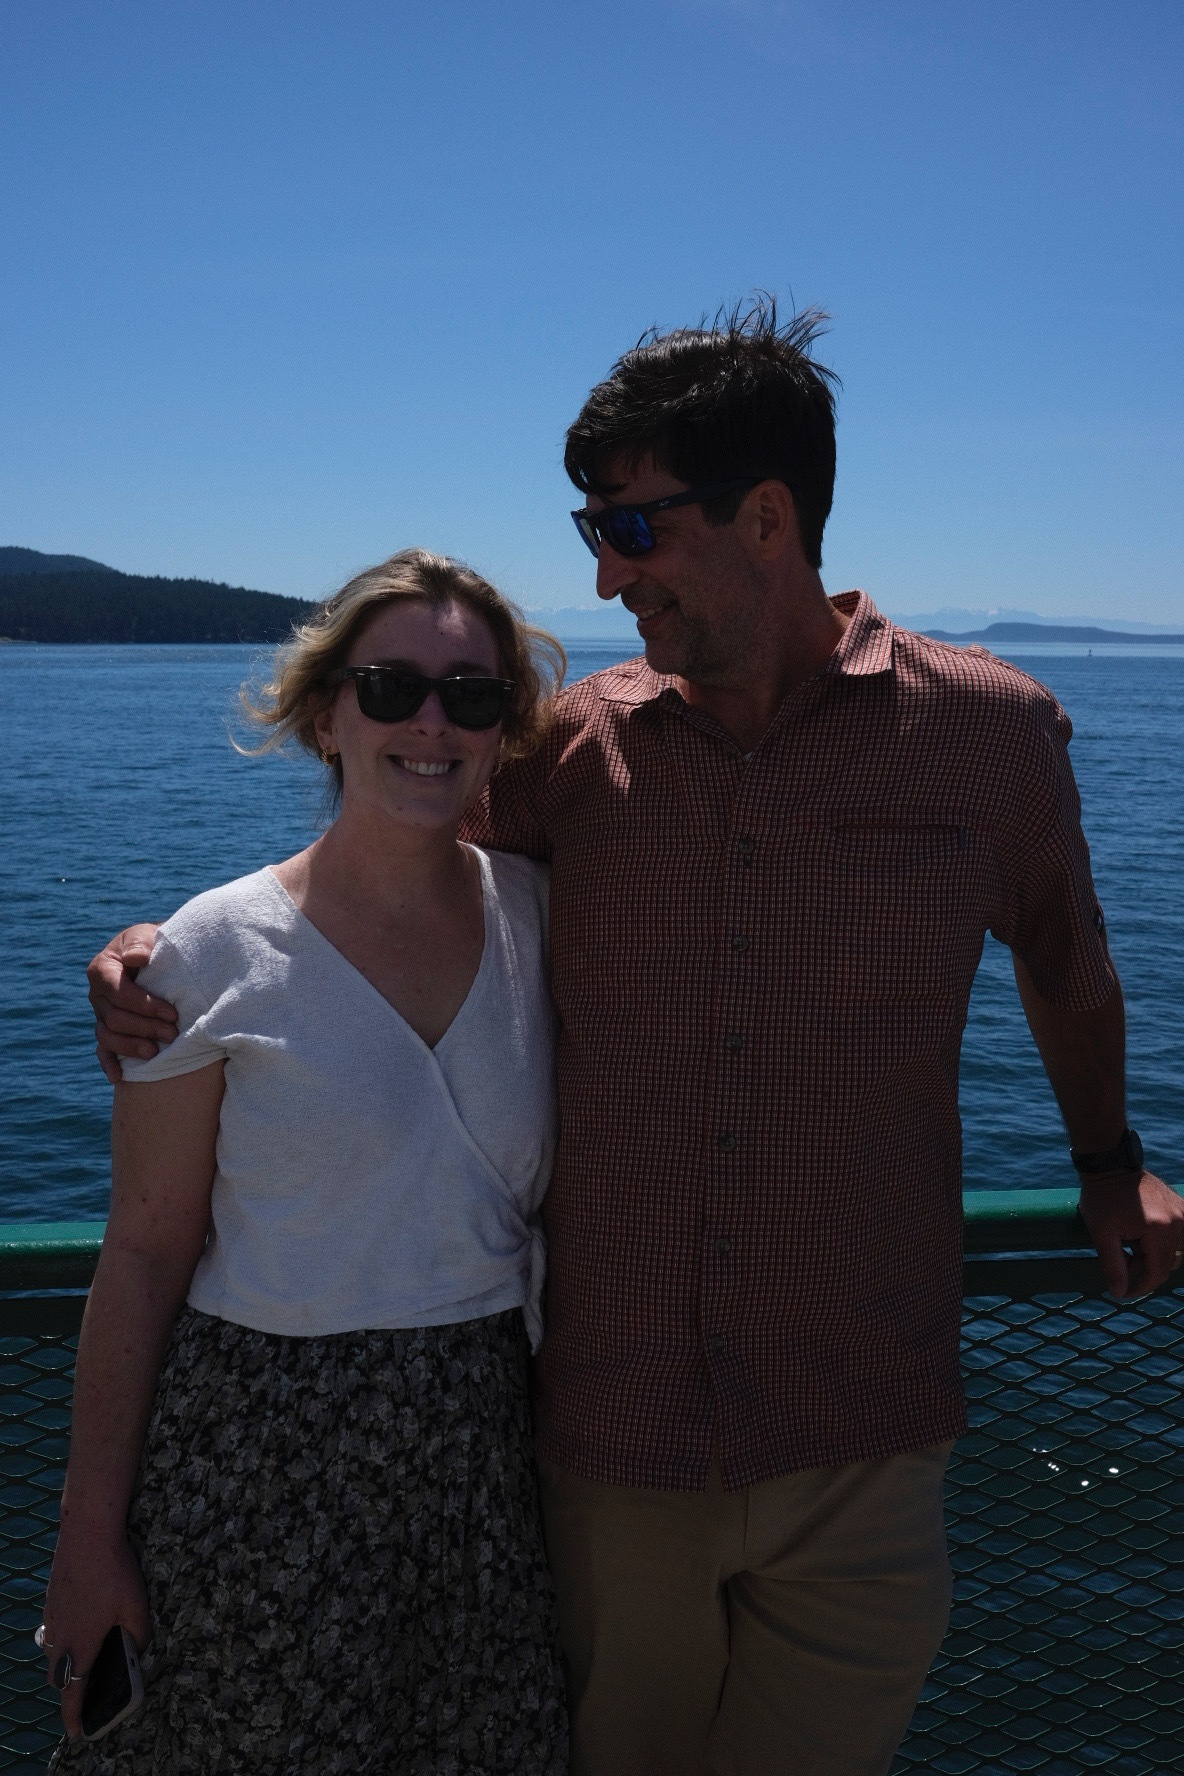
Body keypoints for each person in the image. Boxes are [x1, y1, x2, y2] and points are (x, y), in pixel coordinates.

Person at [88, 302, 1184, 1776]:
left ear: (769, 518)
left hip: (863, 1425)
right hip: (613, 1447)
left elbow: (1068, 966)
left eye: (631, 528)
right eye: (591, 528)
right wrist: (173, 956)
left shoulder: (989, 736)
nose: (604, 575)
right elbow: (386, 866)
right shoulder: (572, 757)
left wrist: (1108, 1162)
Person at [46, 550, 569, 1774]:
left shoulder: (546, 919)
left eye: (472, 696)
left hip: (488, 1455)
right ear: (325, 714)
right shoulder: (209, 949)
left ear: (505, 732)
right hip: (262, 1456)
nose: (431, 721)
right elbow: (141, 1252)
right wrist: (87, 1537)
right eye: (390, 687)